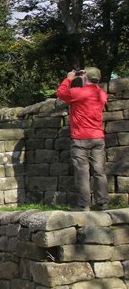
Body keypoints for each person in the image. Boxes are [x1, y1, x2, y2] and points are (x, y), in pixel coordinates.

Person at [56, 67, 108, 211]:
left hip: (80, 138)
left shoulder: (78, 93)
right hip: (98, 137)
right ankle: (102, 202)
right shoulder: (102, 94)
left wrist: (69, 78)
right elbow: (93, 87)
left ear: (85, 78)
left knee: (82, 172)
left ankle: (84, 204)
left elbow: (61, 93)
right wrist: (87, 77)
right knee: (99, 171)